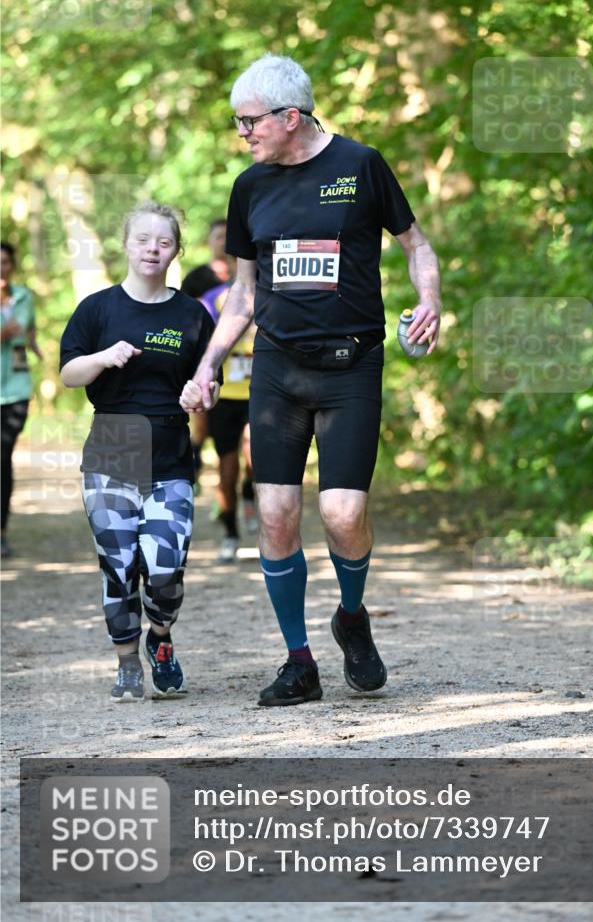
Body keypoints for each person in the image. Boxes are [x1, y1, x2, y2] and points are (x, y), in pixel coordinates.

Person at [180, 54, 441, 707]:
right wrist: (207, 365)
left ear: (289, 117)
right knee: (274, 512)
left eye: (248, 122)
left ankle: (350, 615)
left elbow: (415, 244)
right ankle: (299, 661)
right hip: (276, 367)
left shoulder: (360, 165)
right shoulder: (250, 187)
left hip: (351, 365)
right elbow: (241, 294)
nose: (242, 134)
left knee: (343, 513)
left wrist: (430, 298)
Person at [60, 201, 217, 702]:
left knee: (166, 568)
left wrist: (201, 392)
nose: (153, 248)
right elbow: (68, 375)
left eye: (164, 241)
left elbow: (206, 381)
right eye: (144, 239)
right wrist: (102, 358)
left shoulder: (192, 315)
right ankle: (127, 662)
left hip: (171, 452)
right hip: (111, 449)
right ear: (126, 244)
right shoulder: (97, 309)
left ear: (175, 251)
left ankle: (161, 637)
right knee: (119, 564)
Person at [181, 256, 256, 562]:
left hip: (261, 390)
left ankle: (251, 495)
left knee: (255, 452)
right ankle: (230, 531)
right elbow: (200, 341)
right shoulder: (215, 299)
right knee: (227, 469)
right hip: (225, 394)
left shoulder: (274, 295)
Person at [1, 241, 43, 559]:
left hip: (16, 387)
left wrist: (35, 346)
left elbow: (28, 331)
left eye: (5, 262)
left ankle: (1, 531)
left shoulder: (24, 296)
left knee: (3, 458)